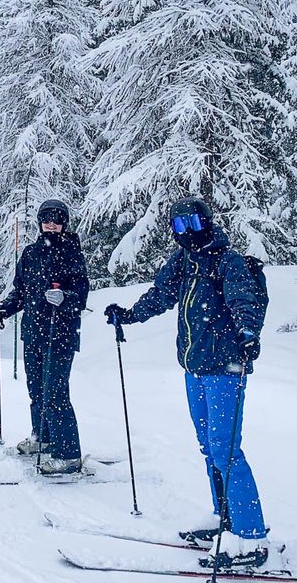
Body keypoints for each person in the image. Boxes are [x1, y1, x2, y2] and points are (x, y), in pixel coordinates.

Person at [104, 197, 268, 570]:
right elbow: (161, 294)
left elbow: (245, 301)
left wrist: (247, 333)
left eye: (191, 223)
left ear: (206, 222)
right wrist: (129, 315)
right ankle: (223, 518)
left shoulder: (228, 261)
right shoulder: (185, 261)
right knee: (209, 445)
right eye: (177, 226)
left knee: (226, 449)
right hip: (195, 367)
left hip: (226, 368)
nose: (185, 233)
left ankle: (252, 538)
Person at [0, 199, 89, 475]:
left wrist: (65, 297)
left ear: (64, 223)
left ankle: (68, 455)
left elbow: (81, 295)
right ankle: (43, 437)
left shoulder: (71, 252)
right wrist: (5, 308)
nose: (51, 223)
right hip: (33, 333)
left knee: (56, 392)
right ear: (39, 222)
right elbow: (21, 291)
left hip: (60, 334)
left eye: (57, 219)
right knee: (37, 391)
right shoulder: (31, 254)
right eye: (46, 218)